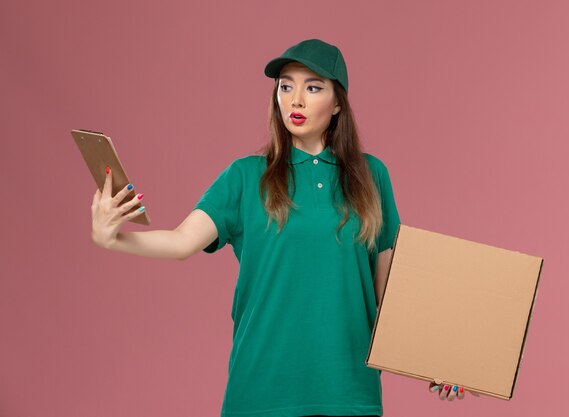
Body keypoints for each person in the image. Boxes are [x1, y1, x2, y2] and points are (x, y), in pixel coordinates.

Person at [91, 39, 476, 417]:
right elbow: (180, 242)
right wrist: (113, 238)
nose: (296, 100)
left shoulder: (371, 176)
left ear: (338, 101)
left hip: (347, 393)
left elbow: (390, 294)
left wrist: (437, 361)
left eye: (313, 87)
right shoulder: (245, 177)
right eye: (286, 86)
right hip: (260, 392)